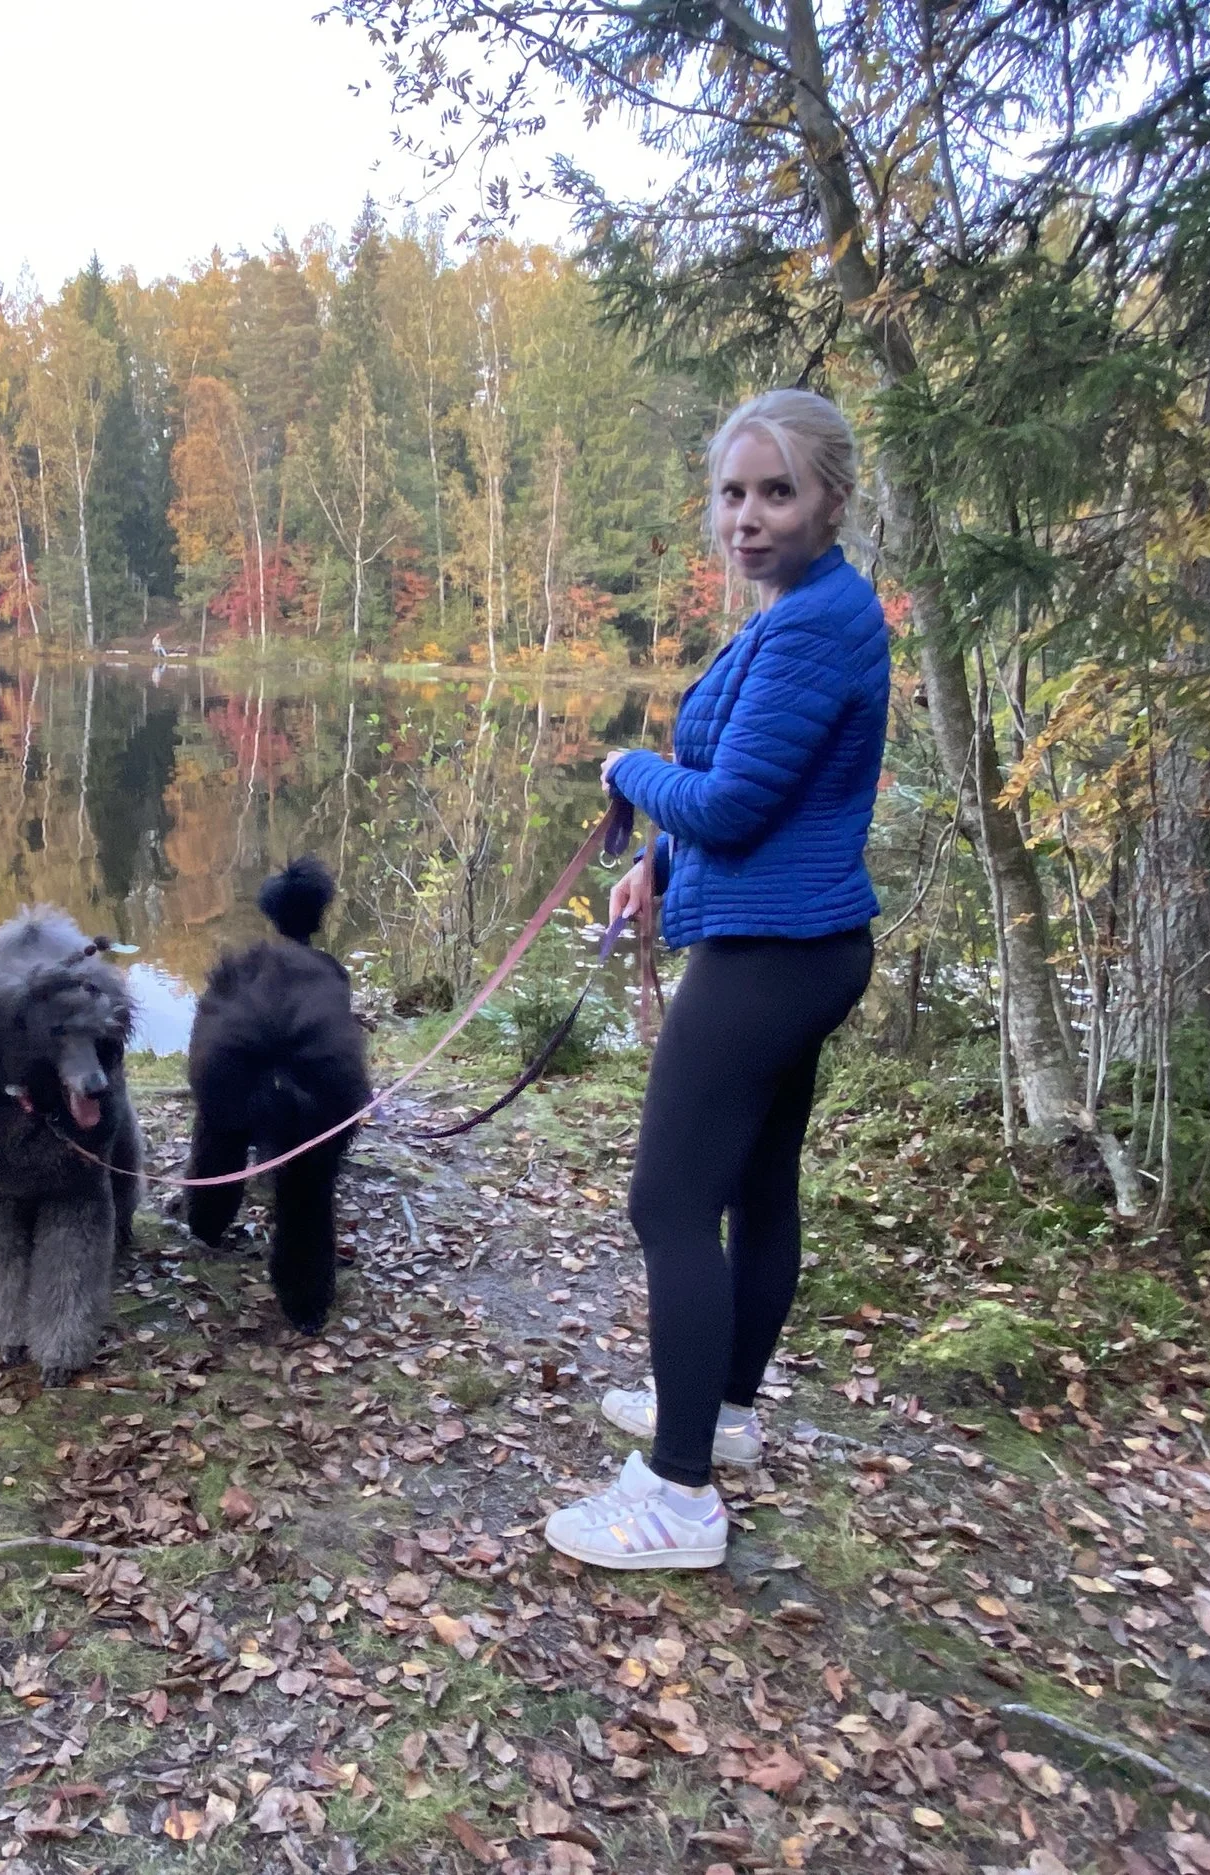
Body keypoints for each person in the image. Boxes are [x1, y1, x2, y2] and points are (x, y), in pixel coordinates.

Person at [543, 389, 890, 1571]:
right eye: (734, 493)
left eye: (776, 492)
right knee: (753, 1189)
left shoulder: (808, 627)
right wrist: (655, 864)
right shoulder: (806, 610)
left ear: (830, 501)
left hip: (769, 961)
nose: (747, 517)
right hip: (799, 945)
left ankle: (676, 1494)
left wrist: (626, 767)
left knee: (669, 1204)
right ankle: (722, 1416)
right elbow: (760, 796)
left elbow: (736, 802)